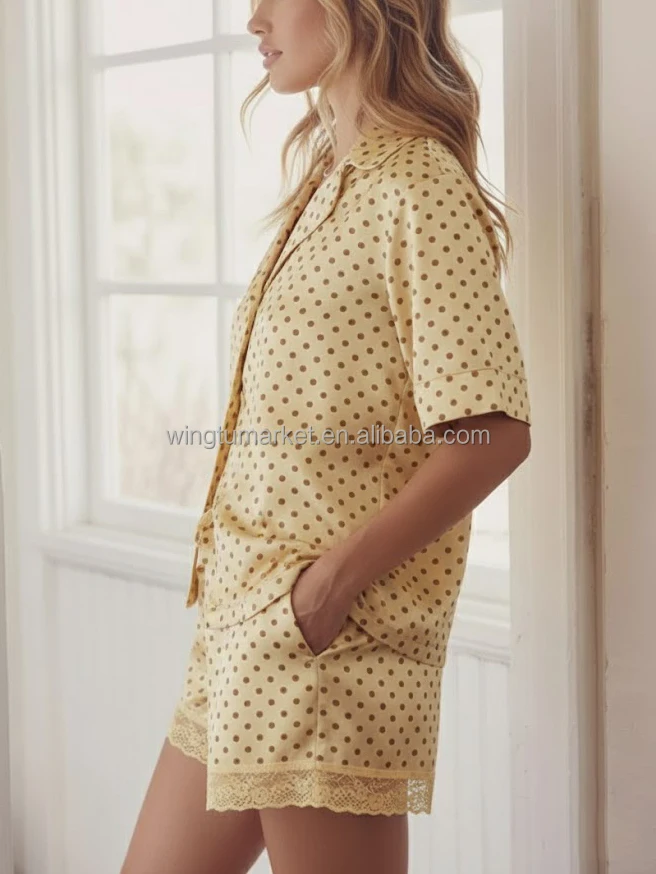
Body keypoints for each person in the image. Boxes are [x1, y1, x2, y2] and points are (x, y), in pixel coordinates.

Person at [121, 1, 532, 872]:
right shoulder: (325, 182)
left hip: (329, 652)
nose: (254, 19)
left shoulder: (419, 184)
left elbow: (492, 434)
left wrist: (327, 590)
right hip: (242, 628)